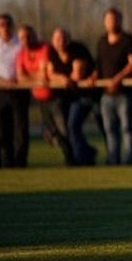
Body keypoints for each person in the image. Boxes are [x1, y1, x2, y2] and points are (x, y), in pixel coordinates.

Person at [92, 7, 132, 165]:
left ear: (120, 21)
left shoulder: (128, 40)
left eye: (114, 19)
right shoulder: (101, 41)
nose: (111, 23)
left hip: (125, 93)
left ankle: (128, 159)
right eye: (108, 20)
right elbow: (99, 64)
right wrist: (94, 76)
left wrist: (117, 79)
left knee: (127, 128)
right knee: (109, 130)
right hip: (106, 95)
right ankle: (113, 158)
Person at [47, 27, 98, 166]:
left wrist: (62, 79)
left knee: (73, 126)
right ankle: (86, 153)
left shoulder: (78, 49)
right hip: (67, 97)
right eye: (57, 39)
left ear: (69, 39)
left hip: (85, 95)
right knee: (64, 129)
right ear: (52, 41)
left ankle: (81, 159)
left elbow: (77, 75)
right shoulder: (51, 52)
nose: (60, 42)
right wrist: (63, 79)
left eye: (63, 38)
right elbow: (50, 74)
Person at [15, 25, 62, 158]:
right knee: (50, 132)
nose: (26, 40)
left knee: (63, 130)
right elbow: (20, 77)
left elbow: (43, 75)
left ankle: (74, 161)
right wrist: (35, 77)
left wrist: (29, 75)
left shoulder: (44, 48)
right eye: (22, 37)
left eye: (28, 36)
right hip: (39, 96)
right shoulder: (21, 53)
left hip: (54, 96)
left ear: (34, 35)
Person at [0, 13, 27, 168]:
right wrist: (4, 81)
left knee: (20, 128)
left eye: (8, 24)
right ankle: (6, 161)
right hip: (0, 91)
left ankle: (20, 161)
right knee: (3, 128)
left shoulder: (20, 44)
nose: (5, 27)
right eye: (2, 24)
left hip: (19, 91)